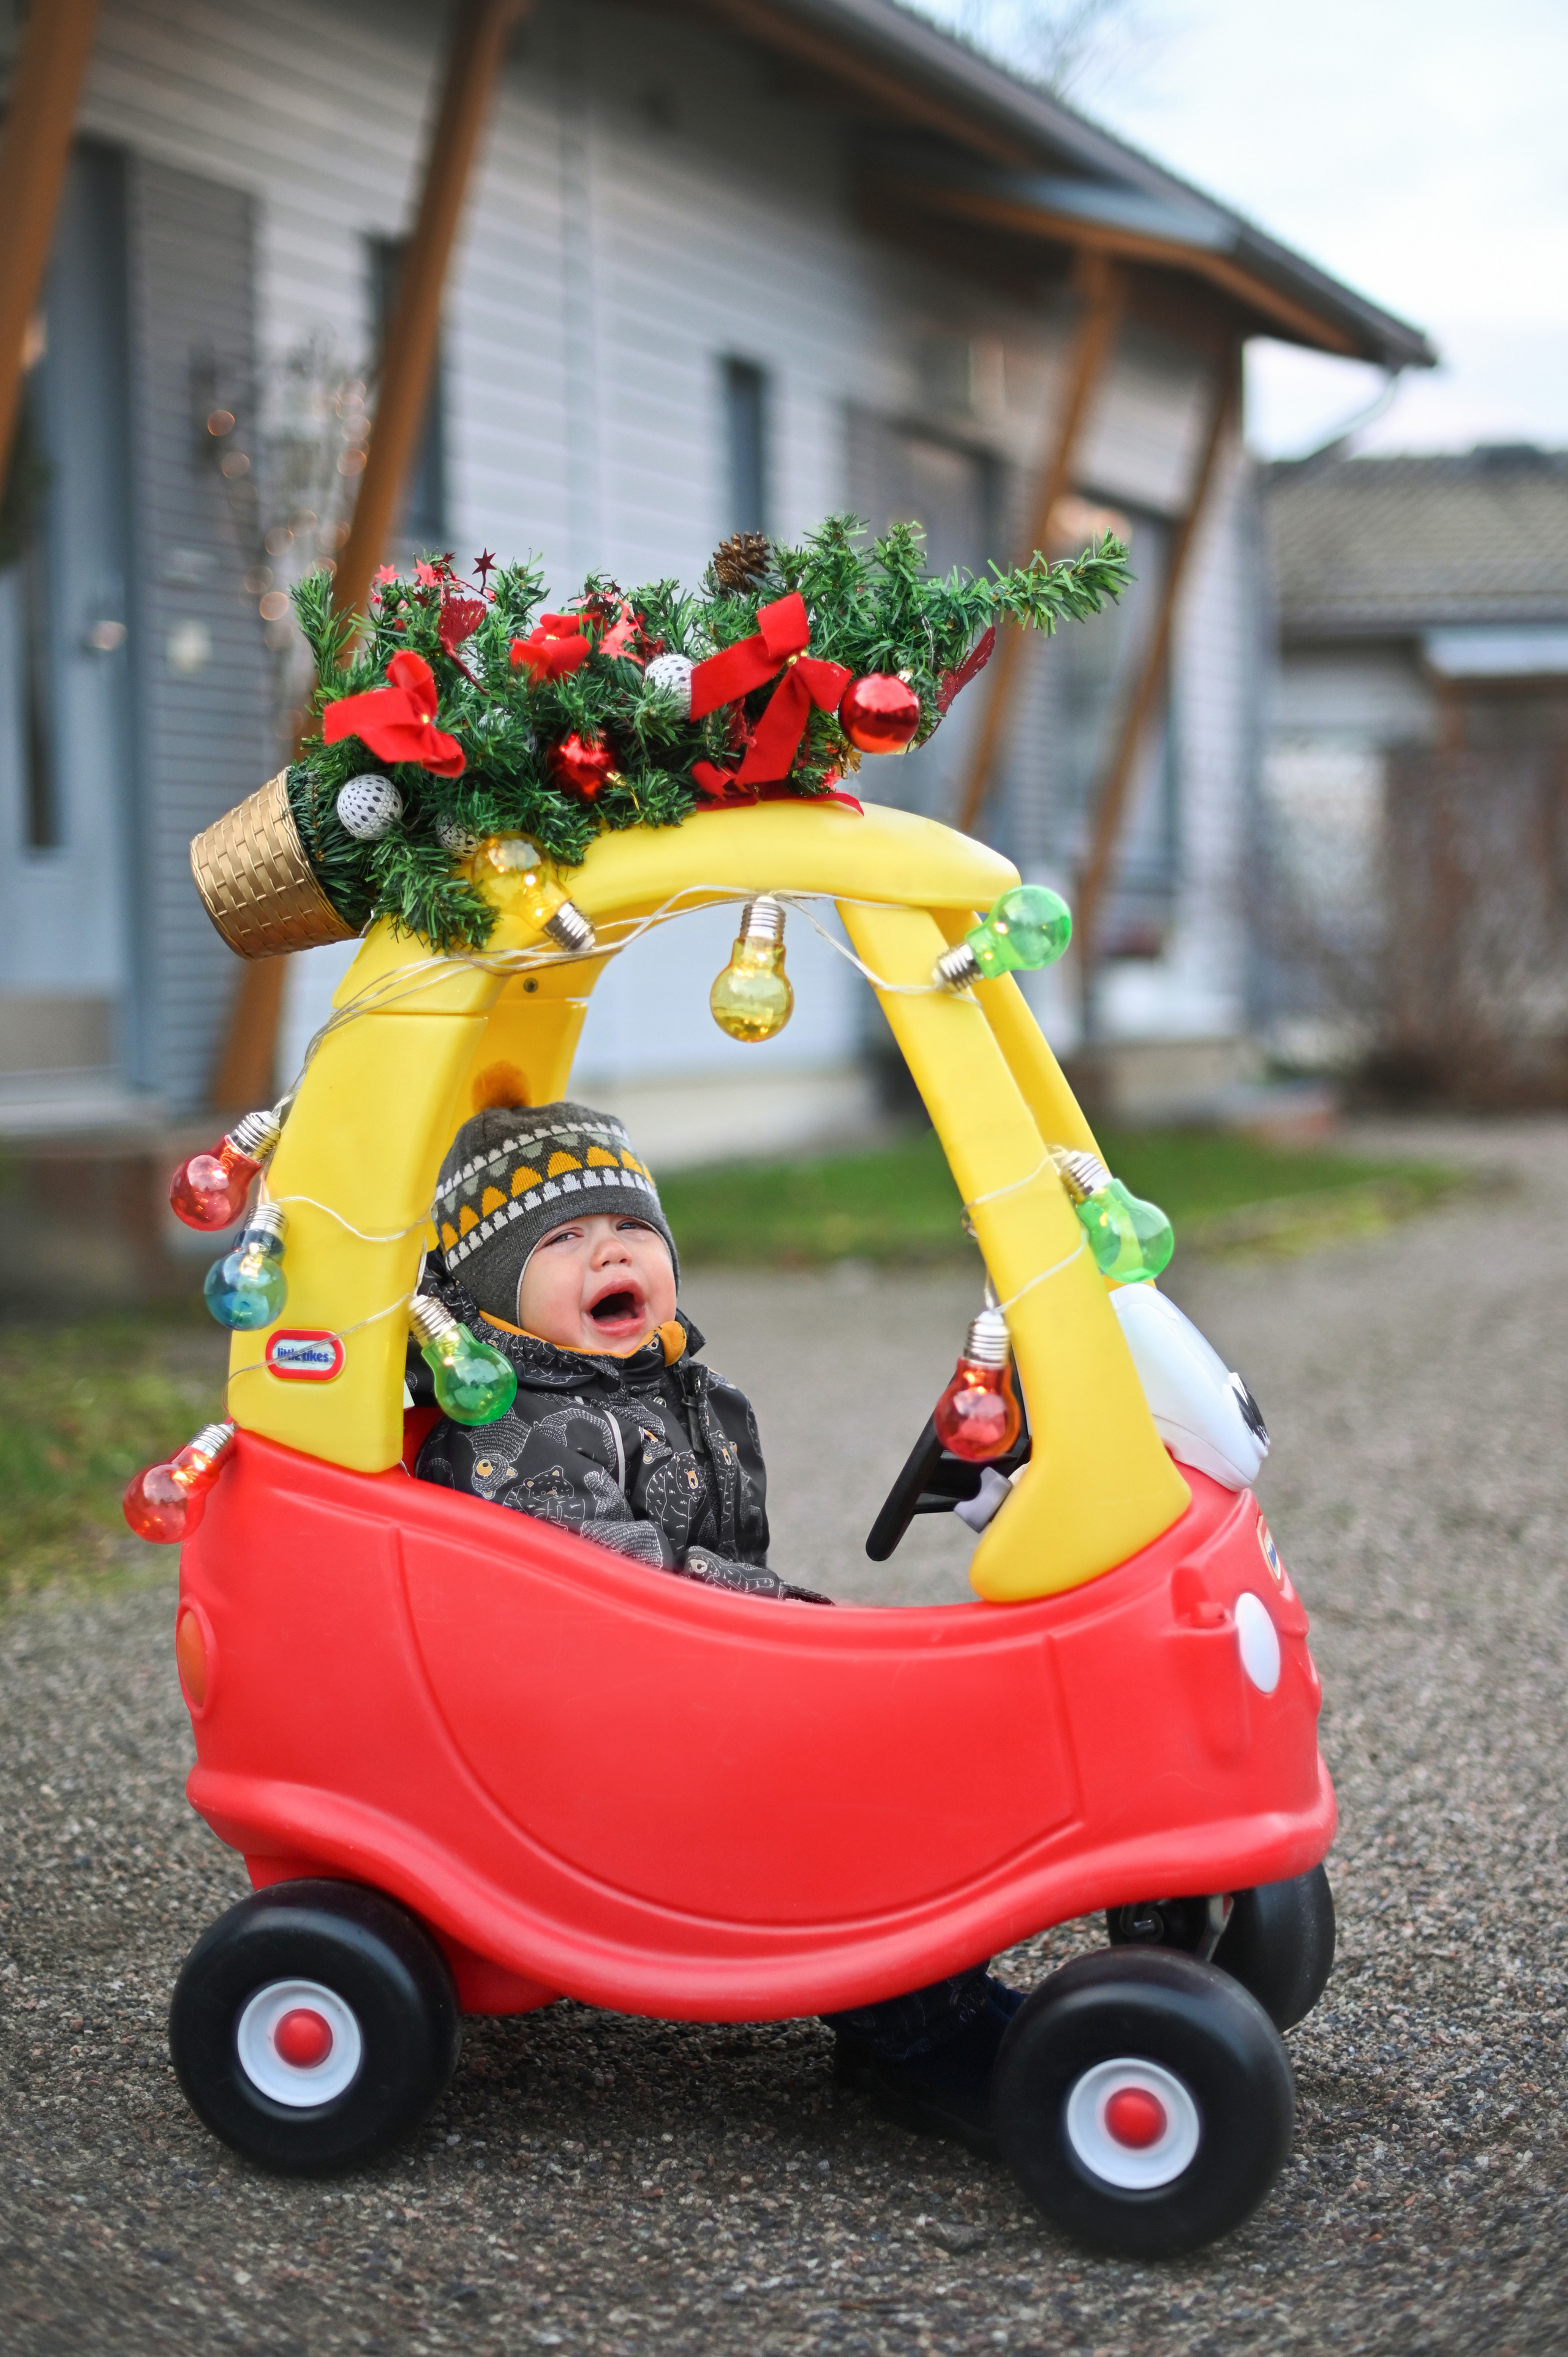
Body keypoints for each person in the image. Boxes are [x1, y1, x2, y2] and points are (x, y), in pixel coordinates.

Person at [412, 1098, 1022, 2150]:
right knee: (838, 1796)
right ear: (492, 1298)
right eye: (562, 1240)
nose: (610, 1250)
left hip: (687, 1673)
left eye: (632, 1229)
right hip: (599, 1728)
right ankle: (920, 2034)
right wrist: (781, 1624)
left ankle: (935, 1959)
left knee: (906, 1725)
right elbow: (610, 1584)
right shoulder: (519, 1432)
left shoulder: (678, 1384)